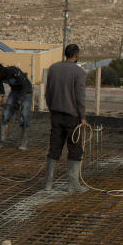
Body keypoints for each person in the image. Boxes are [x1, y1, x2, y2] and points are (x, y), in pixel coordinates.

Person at [43, 44, 89, 192]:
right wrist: (83, 117)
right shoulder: (79, 72)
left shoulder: (53, 68)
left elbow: (48, 93)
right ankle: (72, 184)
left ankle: (48, 184)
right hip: (72, 116)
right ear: (76, 55)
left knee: (54, 147)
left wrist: (51, 109)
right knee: (75, 148)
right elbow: (80, 97)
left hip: (55, 114)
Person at [0, 62, 33, 150]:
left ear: (1, 72)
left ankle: (23, 143)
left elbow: (25, 86)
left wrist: (19, 101)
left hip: (26, 92)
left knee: (24, 117)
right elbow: (1, 93)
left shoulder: (13, 71)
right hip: (14, 92)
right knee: (5, 114)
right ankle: (2, 141)